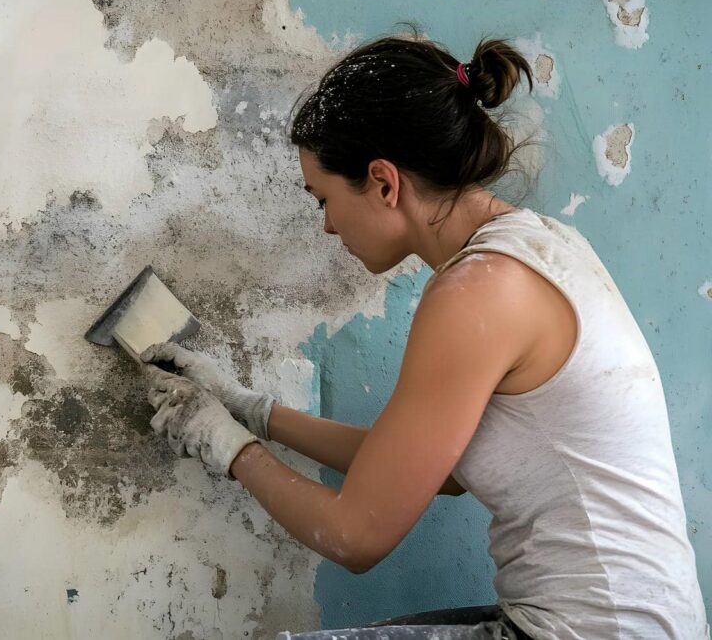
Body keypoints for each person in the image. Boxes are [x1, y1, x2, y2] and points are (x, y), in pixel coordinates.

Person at [140, 33, 709, 640]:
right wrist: (249, 410)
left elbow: (355, 535)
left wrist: (225, 448)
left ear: (384, 183)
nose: (328, 225)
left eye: (324, 199)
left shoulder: (478, 292)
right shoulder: (536, 247)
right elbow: (434, 470)